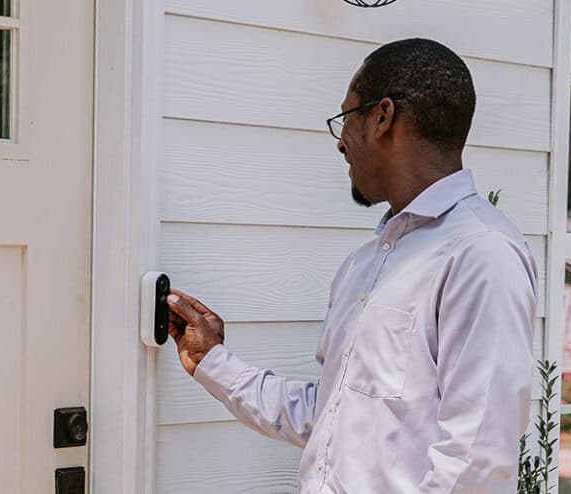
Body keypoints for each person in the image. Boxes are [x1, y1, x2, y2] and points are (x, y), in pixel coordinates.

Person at [165, 38, 537, 493]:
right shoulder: (363, 267)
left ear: (382, 117)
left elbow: (475, 465)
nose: (340, 142)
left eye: (345, 118)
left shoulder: (482, 253)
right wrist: (211, 362)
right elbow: (328, 415)